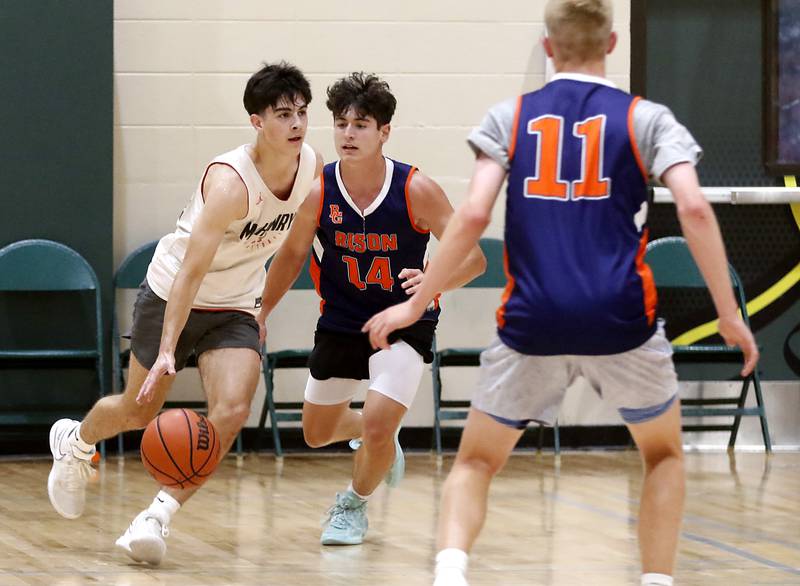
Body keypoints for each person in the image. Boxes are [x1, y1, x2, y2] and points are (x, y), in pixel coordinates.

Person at [363, 1, 759, 585]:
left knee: (475, 461)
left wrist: (416, 303)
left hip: (534, 320)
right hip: (621, 318)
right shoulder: (647, 118)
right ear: (613, 44)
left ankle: (450, 572)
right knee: (664, 456)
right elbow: (695, 208)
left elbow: (472, 214)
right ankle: (656, 580)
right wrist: (729, 315)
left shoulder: (511, 116)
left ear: (549, 48)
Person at [47, 61, 323, 565]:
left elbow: (294, 251)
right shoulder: (229, 183)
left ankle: (156, 516)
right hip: (174, 293)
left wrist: (263, 310)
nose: (297, 124)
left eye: (303, 112)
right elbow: (191, 272)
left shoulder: (310, 169)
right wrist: (168, 350)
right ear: (256, 122)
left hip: (236, 304)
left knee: (234, 410)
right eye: (284, 114)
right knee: (138, 409)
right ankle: (75, 439)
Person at [258, 72, 486, 546]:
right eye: (341, 124)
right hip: (342, 320)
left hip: (406, 321)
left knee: (382, 421)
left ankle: (354, 504)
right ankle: (378, 438)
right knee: (316, 433)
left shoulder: (415, 189)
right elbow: (292, 256)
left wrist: (434, 280)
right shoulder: (321, 190)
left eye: (361, 125)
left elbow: (474, 257)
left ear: (385, 132)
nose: (348, 134)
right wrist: (260, 312)